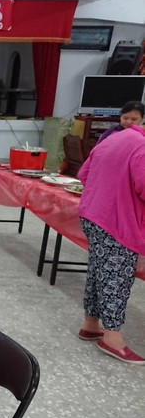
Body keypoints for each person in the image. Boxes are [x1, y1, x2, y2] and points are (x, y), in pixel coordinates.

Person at [76, 124, 145, 364]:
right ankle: (113, 338)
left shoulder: (112, 138)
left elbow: (83, 175)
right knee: (117, 277)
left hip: (93, 215)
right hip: (117, 222)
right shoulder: (142, 147)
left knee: (98, 271)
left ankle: (90, 324)